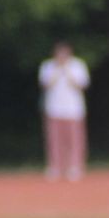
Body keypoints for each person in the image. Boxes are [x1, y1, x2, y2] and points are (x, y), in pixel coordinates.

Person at [39, 42, 91, 181]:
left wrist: (66, 70)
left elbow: (81, 84)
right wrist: (57, 70)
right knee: (55, 140)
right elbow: (46, 84)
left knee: (75, 139)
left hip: (74, 110)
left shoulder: (77, 65)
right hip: (54, 109)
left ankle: (75, 166)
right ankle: (55, 166)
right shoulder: (48, 66)